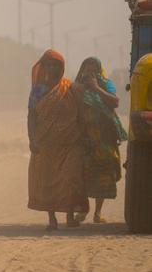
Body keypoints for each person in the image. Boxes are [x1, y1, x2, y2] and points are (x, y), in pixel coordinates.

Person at [27, 49, 89, 231]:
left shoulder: (70, 88)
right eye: (50, 65)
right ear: (44, 67)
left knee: (71, 179)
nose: (53, 68)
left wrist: (85, 137)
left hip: (70, 143)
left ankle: (70, 216)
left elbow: (81, 115)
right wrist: (32, 139)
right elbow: (31, 116)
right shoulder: (37, 91)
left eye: (57, 65)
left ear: (62, 68)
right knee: (47, 181)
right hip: (45, 144)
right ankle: (52, 219)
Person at [73, 57, 128, 223]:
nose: (90, 71)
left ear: (99, 71)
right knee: (82, 174)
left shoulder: (105, 84)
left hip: (104, 139)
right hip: (84, 138)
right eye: (87, 68)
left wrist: (96, 88)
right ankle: (83, 211)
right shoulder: (76, 88)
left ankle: (97, 213)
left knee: (103, 174)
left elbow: (115, 101)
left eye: (94, 68)